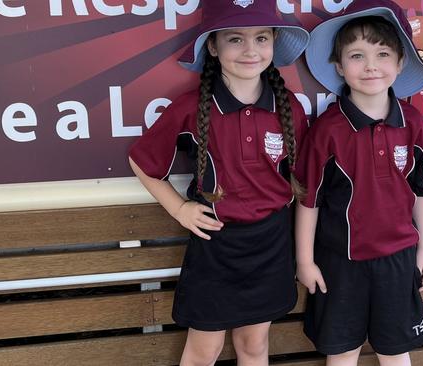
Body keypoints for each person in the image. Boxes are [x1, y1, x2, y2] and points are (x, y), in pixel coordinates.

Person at [127, 1, 309, 364]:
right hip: (216, 243)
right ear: (212, 46)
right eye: (234, 39)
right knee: (204, 348)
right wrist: (179, 209)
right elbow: (142, 161)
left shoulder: (290, 107)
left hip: (271, 243)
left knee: (254, 346)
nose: (250, 50)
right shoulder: (190, 107)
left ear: (273, 42)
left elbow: (303, 184)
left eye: (261, 37)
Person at [295, 1, 423, 365]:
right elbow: (309, 200)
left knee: (395, 352)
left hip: (397, 262)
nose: (370, 66)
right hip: (339, 263)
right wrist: (305, 260)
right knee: (342, 353)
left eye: (382, 53)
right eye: (356, 55)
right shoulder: (328, 130)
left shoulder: (413, 122)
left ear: (400, 63)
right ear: (339, 66)